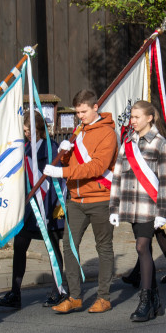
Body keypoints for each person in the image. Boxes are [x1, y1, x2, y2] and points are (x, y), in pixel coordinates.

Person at [43, 90, 118, 314]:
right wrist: (64, 153)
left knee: (103, 247)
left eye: (84, 111)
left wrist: (62, 171)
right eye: (77, 112)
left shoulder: (108, 133)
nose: (80, 116)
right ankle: (74, 296)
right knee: (69, 246)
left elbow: (97, 167)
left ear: (96, 107)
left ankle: (103, 297)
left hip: (100, 198)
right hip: (75, 199)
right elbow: (75, 160)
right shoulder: (79, 130)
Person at [108, 101, 166, 321]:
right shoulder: (128, 142)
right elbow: (117, 175)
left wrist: (162, 212)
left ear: (150, 118)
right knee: (142, 249)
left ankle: (145, 300)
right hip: (130, 205)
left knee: (141, 246)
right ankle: (154, 297)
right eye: (132, 117)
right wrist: (114, 207)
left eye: (137, 117)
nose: (132, 121)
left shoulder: (160, 144)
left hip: (150, 206)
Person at [0, 110, 66, 310]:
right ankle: (15, 293)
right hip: (28, 208)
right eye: (25, 130)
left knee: (52, 249)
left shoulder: (52, 148)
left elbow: (57, 180)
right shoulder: (24, 148)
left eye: (29, 130)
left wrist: (55, 206)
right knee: (19, 246)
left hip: (47, 204)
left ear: (39, 129)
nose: (26, 133)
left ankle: (59, 289)